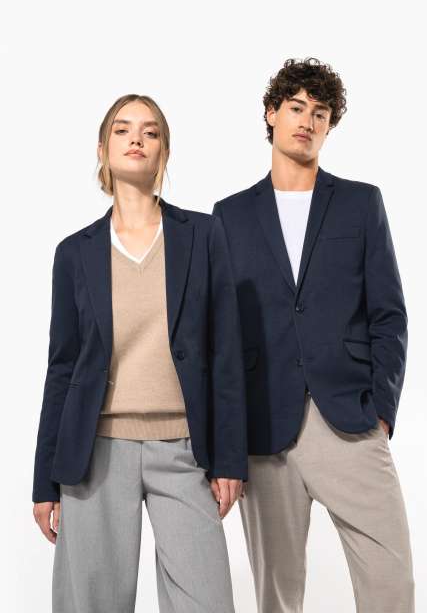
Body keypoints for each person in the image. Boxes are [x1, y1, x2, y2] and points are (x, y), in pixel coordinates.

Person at [212, 58, 415, 612]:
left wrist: (381, 410)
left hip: (350, 419)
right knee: (276, 594)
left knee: (391, 581)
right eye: (296, 107)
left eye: (320, 113)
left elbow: (389, 314)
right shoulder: (229, 216)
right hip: (264, 431)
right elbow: (221, 337)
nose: (307, 120)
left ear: (329, 126)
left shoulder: (360, 203)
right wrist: (227, 438)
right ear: (271, 114)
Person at [32, 94, 247, 613]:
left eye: (150, 132)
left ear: (163, 152)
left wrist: (230, 459)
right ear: (102, 150)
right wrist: (45, 482)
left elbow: (226, 353)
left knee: (207, 601)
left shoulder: (203, 236)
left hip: (186, 450)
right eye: (123, 129)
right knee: (92, 603)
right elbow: (62, 368)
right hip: (96, 452)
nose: (136, 139)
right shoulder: (74, 252)